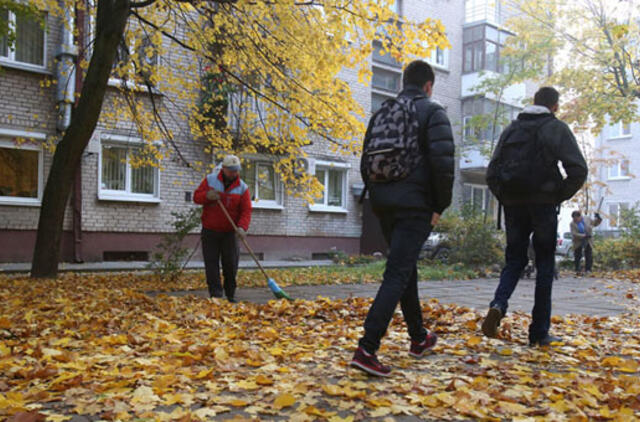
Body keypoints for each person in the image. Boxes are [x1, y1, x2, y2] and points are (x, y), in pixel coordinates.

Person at [351, 60, 455, 376]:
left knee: (404, 267)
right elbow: (443, 164)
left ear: (404, 83)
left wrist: (378, 195)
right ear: (428, 85)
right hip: (415, 205)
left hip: (383, 203)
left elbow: (365, 158)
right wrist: (440, 205)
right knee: (397, 272)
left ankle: (418, 338)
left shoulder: (383, 113)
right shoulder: (433, 111)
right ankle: (367, 348)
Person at [483, 87, 587, 346]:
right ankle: (539, 332)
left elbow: (491, 173)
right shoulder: (556, 128)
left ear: (533, 103)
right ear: (555, 106)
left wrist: (506, 198)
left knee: (514, 260)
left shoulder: (511, 130)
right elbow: (578, 169)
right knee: (544, 265)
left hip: (514, 206)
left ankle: (498, 303)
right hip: (543, 206)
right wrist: (557, 194)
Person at [194, 155, 252, 302]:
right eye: (231, 170)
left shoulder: (242, 188)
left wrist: (242, 227)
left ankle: (231, 294)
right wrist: (207, 195)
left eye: (236, 170)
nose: (234, 173)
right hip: (210, 231)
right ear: (224, 169)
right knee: (211, 264)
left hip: (230, 233)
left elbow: (246, 210)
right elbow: (196, 197)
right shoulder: (210, 180)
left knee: (230, 264)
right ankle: (216, 295)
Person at [570, 210, 602, 275]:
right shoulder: (572, 223)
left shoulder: (587, 219)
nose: (575, 220)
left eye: (576, 218)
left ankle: (588, 269)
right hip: (578, 241)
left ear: (580, 216)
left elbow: (595, 224)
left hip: (588, 240)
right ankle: (577, 270)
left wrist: (598, 218)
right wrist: (584, 235)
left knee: (588, 254)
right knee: (578, 255)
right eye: (574, 219)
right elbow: (574, 233)